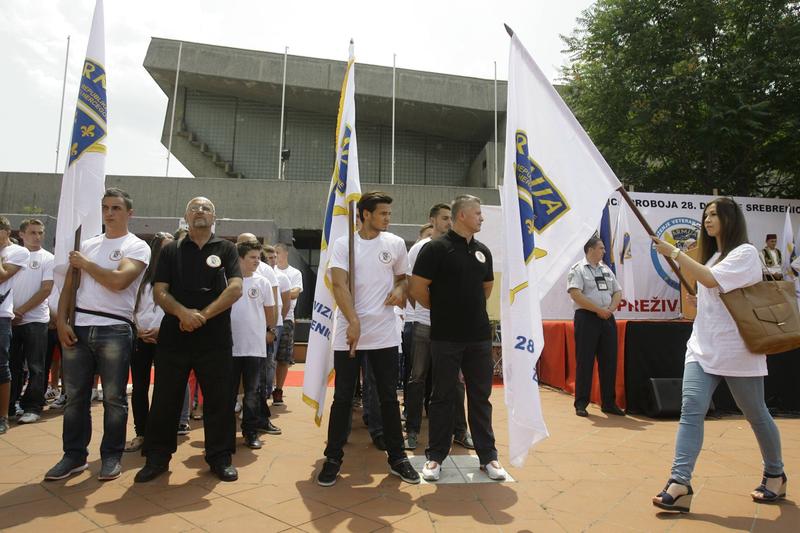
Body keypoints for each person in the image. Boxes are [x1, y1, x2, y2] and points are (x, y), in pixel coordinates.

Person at [651, 197, 786, 513]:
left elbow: (711, 280)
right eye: (706, 214)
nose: (708, 219)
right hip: (702, 346)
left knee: (755, 413)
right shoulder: (712, 257)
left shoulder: (746, 253)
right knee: (691, 408)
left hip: (738, 349)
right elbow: (710, 287)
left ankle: (776, 472)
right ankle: (680, 482)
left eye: (715, 214)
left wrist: (674, 253)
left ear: (731, 219)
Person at [44, 188, 150, 481]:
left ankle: (111, 456)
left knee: (114, 398)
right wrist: (63, 321)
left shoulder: (136, 246)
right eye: (105, 207)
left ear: (130, 213)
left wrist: (86, 264)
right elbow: (69, 286)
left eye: (116, 208)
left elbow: (118, 281)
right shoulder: (88, 244)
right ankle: (73, 456)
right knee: (75, 396)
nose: (109, 213)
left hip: (115, 327)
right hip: (78, 327)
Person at [135, 197, 243, 483]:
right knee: (165, 398)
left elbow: (235, 289)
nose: (200, 212)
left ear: (214, 216)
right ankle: (157, 457)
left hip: (215, 336)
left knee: (219, 399)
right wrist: (183, 313)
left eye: (206, 208)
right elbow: (160, 291)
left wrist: (202, 316)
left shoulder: (227, 249)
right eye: (195, 208)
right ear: (186, 215)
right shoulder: (171, 250)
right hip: (175, 334)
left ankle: (220, 457)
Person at [316, 191, 420, 487]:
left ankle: (398, 458)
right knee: (344, 398)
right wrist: (353, 321)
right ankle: (333, 457)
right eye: (383, 213)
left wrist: (400, 291)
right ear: (364, 214)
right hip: (349, 332)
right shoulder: (343, 244)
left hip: (385, 333)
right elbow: (338, 285)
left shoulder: (396, 244)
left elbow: (403, 279)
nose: (388, 217)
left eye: (389, 212)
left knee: (388, 397)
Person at [410, 195, 506, 482]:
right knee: (442, 396)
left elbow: (486, 287)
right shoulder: (435, 249)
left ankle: (488, 457)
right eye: (477, 213)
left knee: (481, 396)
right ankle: (435, 457)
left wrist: (467, 309)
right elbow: (417, 289)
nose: (482, 217)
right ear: (461, 215)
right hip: (445, 336)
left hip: (478, 336)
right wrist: (443, 310)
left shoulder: (483, 252)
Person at [405, 203, 471, 451]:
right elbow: (413, 287)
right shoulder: (420, 249)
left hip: (452, 329)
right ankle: (412, 431)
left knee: (456, 381)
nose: (448, 222)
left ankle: (460, 431)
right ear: (432, 221)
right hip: (424, 323)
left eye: (450, 218)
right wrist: (433, 309)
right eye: (444, 218)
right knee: (417, 378)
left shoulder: (459, 247)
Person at [125, 232, 174, 453]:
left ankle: (160, 433)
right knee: (140, 387)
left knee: (165, 388)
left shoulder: (177, 277)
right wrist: (137, 329)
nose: (170, 252)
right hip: (141, 338)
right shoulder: (141, 277)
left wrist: (162, 330)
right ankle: (141, 432)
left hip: (167, 338)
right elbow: (129, 306)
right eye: (166, 248)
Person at [566, 236, 625, 418]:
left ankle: (608, 403)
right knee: (585, 361)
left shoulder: (606, 269)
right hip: (587, 318)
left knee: (609, 361)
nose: (604, 251)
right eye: (601, 248)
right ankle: (581, 403)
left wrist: (609, 309)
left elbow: (617, 291)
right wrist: (598, 310)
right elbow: (576, 294)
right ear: (590, 249)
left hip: (607, 318)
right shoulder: (578, 269)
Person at [230, 240, 276, 449]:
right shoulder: (226, 280)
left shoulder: (262, 282)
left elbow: (270, 312)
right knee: (227, 392)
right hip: (229, 346)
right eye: (252, 257)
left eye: (258, 257)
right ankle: (225, 434)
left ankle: (250, 432)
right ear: (240, 258)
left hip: (254, 347)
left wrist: (270, 330)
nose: (257, 261)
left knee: (252, 392)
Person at [9, 219, 54, 424]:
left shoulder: (48, 258)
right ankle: (10, 404)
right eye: (33, 232)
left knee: (36, 365)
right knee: (12, 365)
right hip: (9, 319)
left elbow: (46, 289)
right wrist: (11, 312)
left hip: (35, 320)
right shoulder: (10, 256)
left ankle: (33, 406)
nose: (37, 236)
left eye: (40, 233)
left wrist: (21, 311)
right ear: (22, 235)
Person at [0, 216, 30, 434]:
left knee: (2, 366)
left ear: (6, 231)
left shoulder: (19, 252)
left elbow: (2, 277)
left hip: (2, 316)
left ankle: (3, 416)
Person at [272, 242, 303, 406]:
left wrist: (279, 293)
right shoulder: (270, 271)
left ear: (285, 254)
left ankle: (279, 389)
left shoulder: (294, 273)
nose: (275, 256)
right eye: (273, 254)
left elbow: (295, 293)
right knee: (269, 358)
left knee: (283, 358)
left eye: (277, 253)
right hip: (270, 320)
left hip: (287, 319)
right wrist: (284, 293)